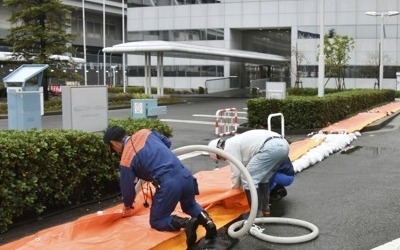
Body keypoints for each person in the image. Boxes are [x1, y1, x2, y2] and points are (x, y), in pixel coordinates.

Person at [103, 125, 217, 248]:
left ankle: (187, 223)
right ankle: (209, 222)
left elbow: (128, 190)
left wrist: (127, 205)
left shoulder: (126, 158)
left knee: (157, 221)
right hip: (185, 175)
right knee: (190, 204)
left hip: (169, 184)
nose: (116, 151)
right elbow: (167, 142)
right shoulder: (145, 133)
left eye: (113, 148)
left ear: (113, 143)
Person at [208, 129, 295, 217]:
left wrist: (235, 190)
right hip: (283, 145)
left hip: (271, 147)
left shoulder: (229, 146)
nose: (224, 159)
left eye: (220, 157)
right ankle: (265, 210)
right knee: (263, 179)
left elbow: (237, 171)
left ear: (219, 151)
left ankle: (255, 214)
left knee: (248, 178)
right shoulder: (237, 141)